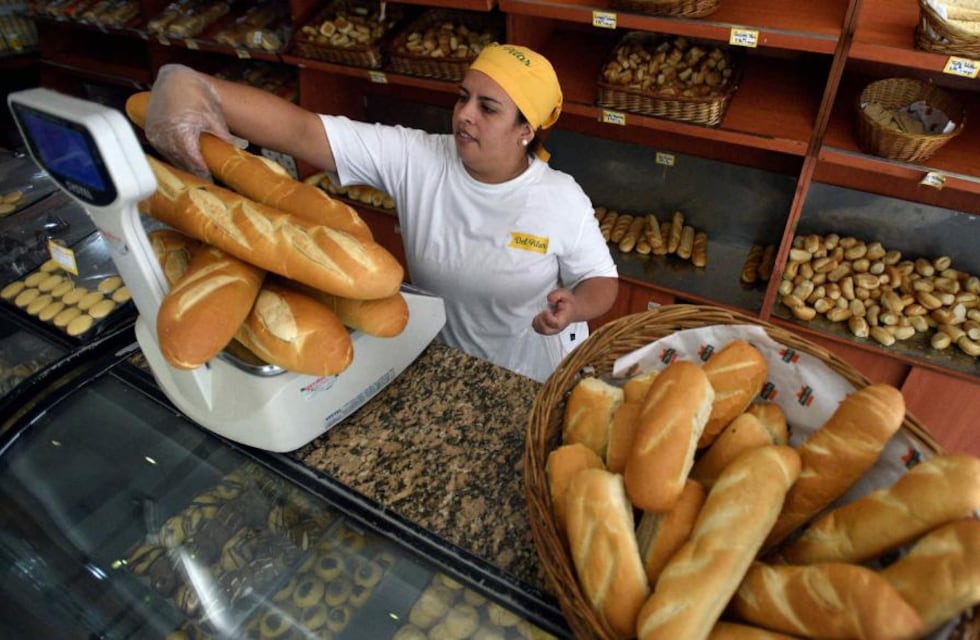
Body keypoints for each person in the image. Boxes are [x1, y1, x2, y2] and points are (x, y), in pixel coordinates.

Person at [143, 43, 619, 382]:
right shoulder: (418, 157)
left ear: (525, 130)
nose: (464, 114)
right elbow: (306, 133)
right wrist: (199, 87)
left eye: (487, 108)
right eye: (462, 97)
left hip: (529, 377)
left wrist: (575, 305)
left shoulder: (559, 198)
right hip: (442, 362)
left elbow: (602, 280)